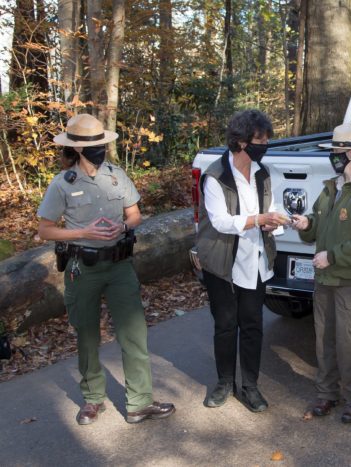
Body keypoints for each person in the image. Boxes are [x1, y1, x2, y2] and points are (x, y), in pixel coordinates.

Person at [37, 114, 175, 425]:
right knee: (87, 335)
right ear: (78, 148)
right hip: (81, 269)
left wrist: (122, 226)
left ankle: (139, 402)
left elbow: (135, 214)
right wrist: (82, 232)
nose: (100, 148)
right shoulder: (62, 184)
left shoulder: (117, 175)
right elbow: (45, 231)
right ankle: (92, 399)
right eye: (94, 144)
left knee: (134, 334)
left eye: (102, 142)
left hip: (119, 266)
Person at [291, 122, 351, 424]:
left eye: (336, 151)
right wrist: (306, 225)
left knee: (349, 343)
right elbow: (318, 224)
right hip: (326, 280)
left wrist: (332, 256)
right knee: (325, 340)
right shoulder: (331, 188)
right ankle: (326, 395)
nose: (333, 156)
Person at [195, 109, 288, 412]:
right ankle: (224, 383)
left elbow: (272, 208)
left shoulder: (263, 172)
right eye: (260, 140)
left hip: (256, 261)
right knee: (225, 324)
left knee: (252, 325)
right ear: (241, 141)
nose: (265, 145)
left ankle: (250, 386)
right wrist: (257, 218)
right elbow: (221, 221)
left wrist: (275, 223)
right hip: (222, 262)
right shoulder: (215, 176)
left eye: (266, 139)